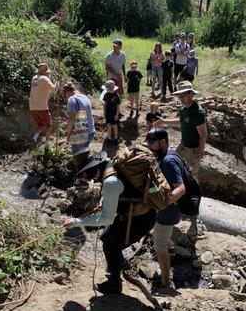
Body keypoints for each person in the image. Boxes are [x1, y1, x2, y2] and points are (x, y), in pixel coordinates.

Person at [63, 151, 157, 294]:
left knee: (111, 245)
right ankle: (119, 263)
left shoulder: (110, 182)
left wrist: (77, 222)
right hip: (136, 213)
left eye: (83, 174)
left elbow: (107, 218)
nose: (84, 179)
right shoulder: (110, 163)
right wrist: (105, 201)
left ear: (91, 170)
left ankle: (114, 284)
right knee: (106, 237)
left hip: (140, 219)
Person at [153, 81, 207, 237]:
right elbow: (180, 122)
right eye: (179, 95)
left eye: (184, 95)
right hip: (183, 145)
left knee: (193, 181)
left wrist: (199, 155)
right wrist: (163, 122)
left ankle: (193, 219)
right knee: (167, 160)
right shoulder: (184, 109)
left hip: (193, 149)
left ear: (191, 93)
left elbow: (203, 135)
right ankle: (173, 194)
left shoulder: (198, 112)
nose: (181, 98)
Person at [146, 128, 186, 288]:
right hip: (163, 210)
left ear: (162, 142)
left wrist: (162, 203)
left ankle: (165, 283)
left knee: (158, 247)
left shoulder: (169, 161)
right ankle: (171, 250)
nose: (149, 146)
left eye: (152, 143)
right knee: (161, 237)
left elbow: (181, 188)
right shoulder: (165, 155)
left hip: (168, 212)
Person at [29, 63, 59, 145]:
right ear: (45, 72)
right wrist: (58, 80)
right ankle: (47, 145)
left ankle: (34, 138)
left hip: (32, 107)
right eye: (48, 72)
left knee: (41, 125)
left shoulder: (34, 78)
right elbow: (54, 90)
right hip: (42, 107)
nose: (49, 74)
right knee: (49, 127)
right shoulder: (44, 79)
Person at [63, 82, 95, 155]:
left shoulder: (71, 99)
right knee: (83, 156)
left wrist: (68, 133)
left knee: (77, 158)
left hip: (80, 135)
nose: (65, 98)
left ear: (67, 92)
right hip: (91, 131)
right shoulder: (84, 97)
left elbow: (71, 120)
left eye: (64, 95)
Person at [102, 80, 121, 144]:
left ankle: (116, 137)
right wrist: (104, 114)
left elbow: (118, 106)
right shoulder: (106, 95)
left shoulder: (116, 95)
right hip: (108, 112)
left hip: (114, 112)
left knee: (115, 125)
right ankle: (109, 137)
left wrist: (117, 115)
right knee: (109, 125)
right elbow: (104, 105)